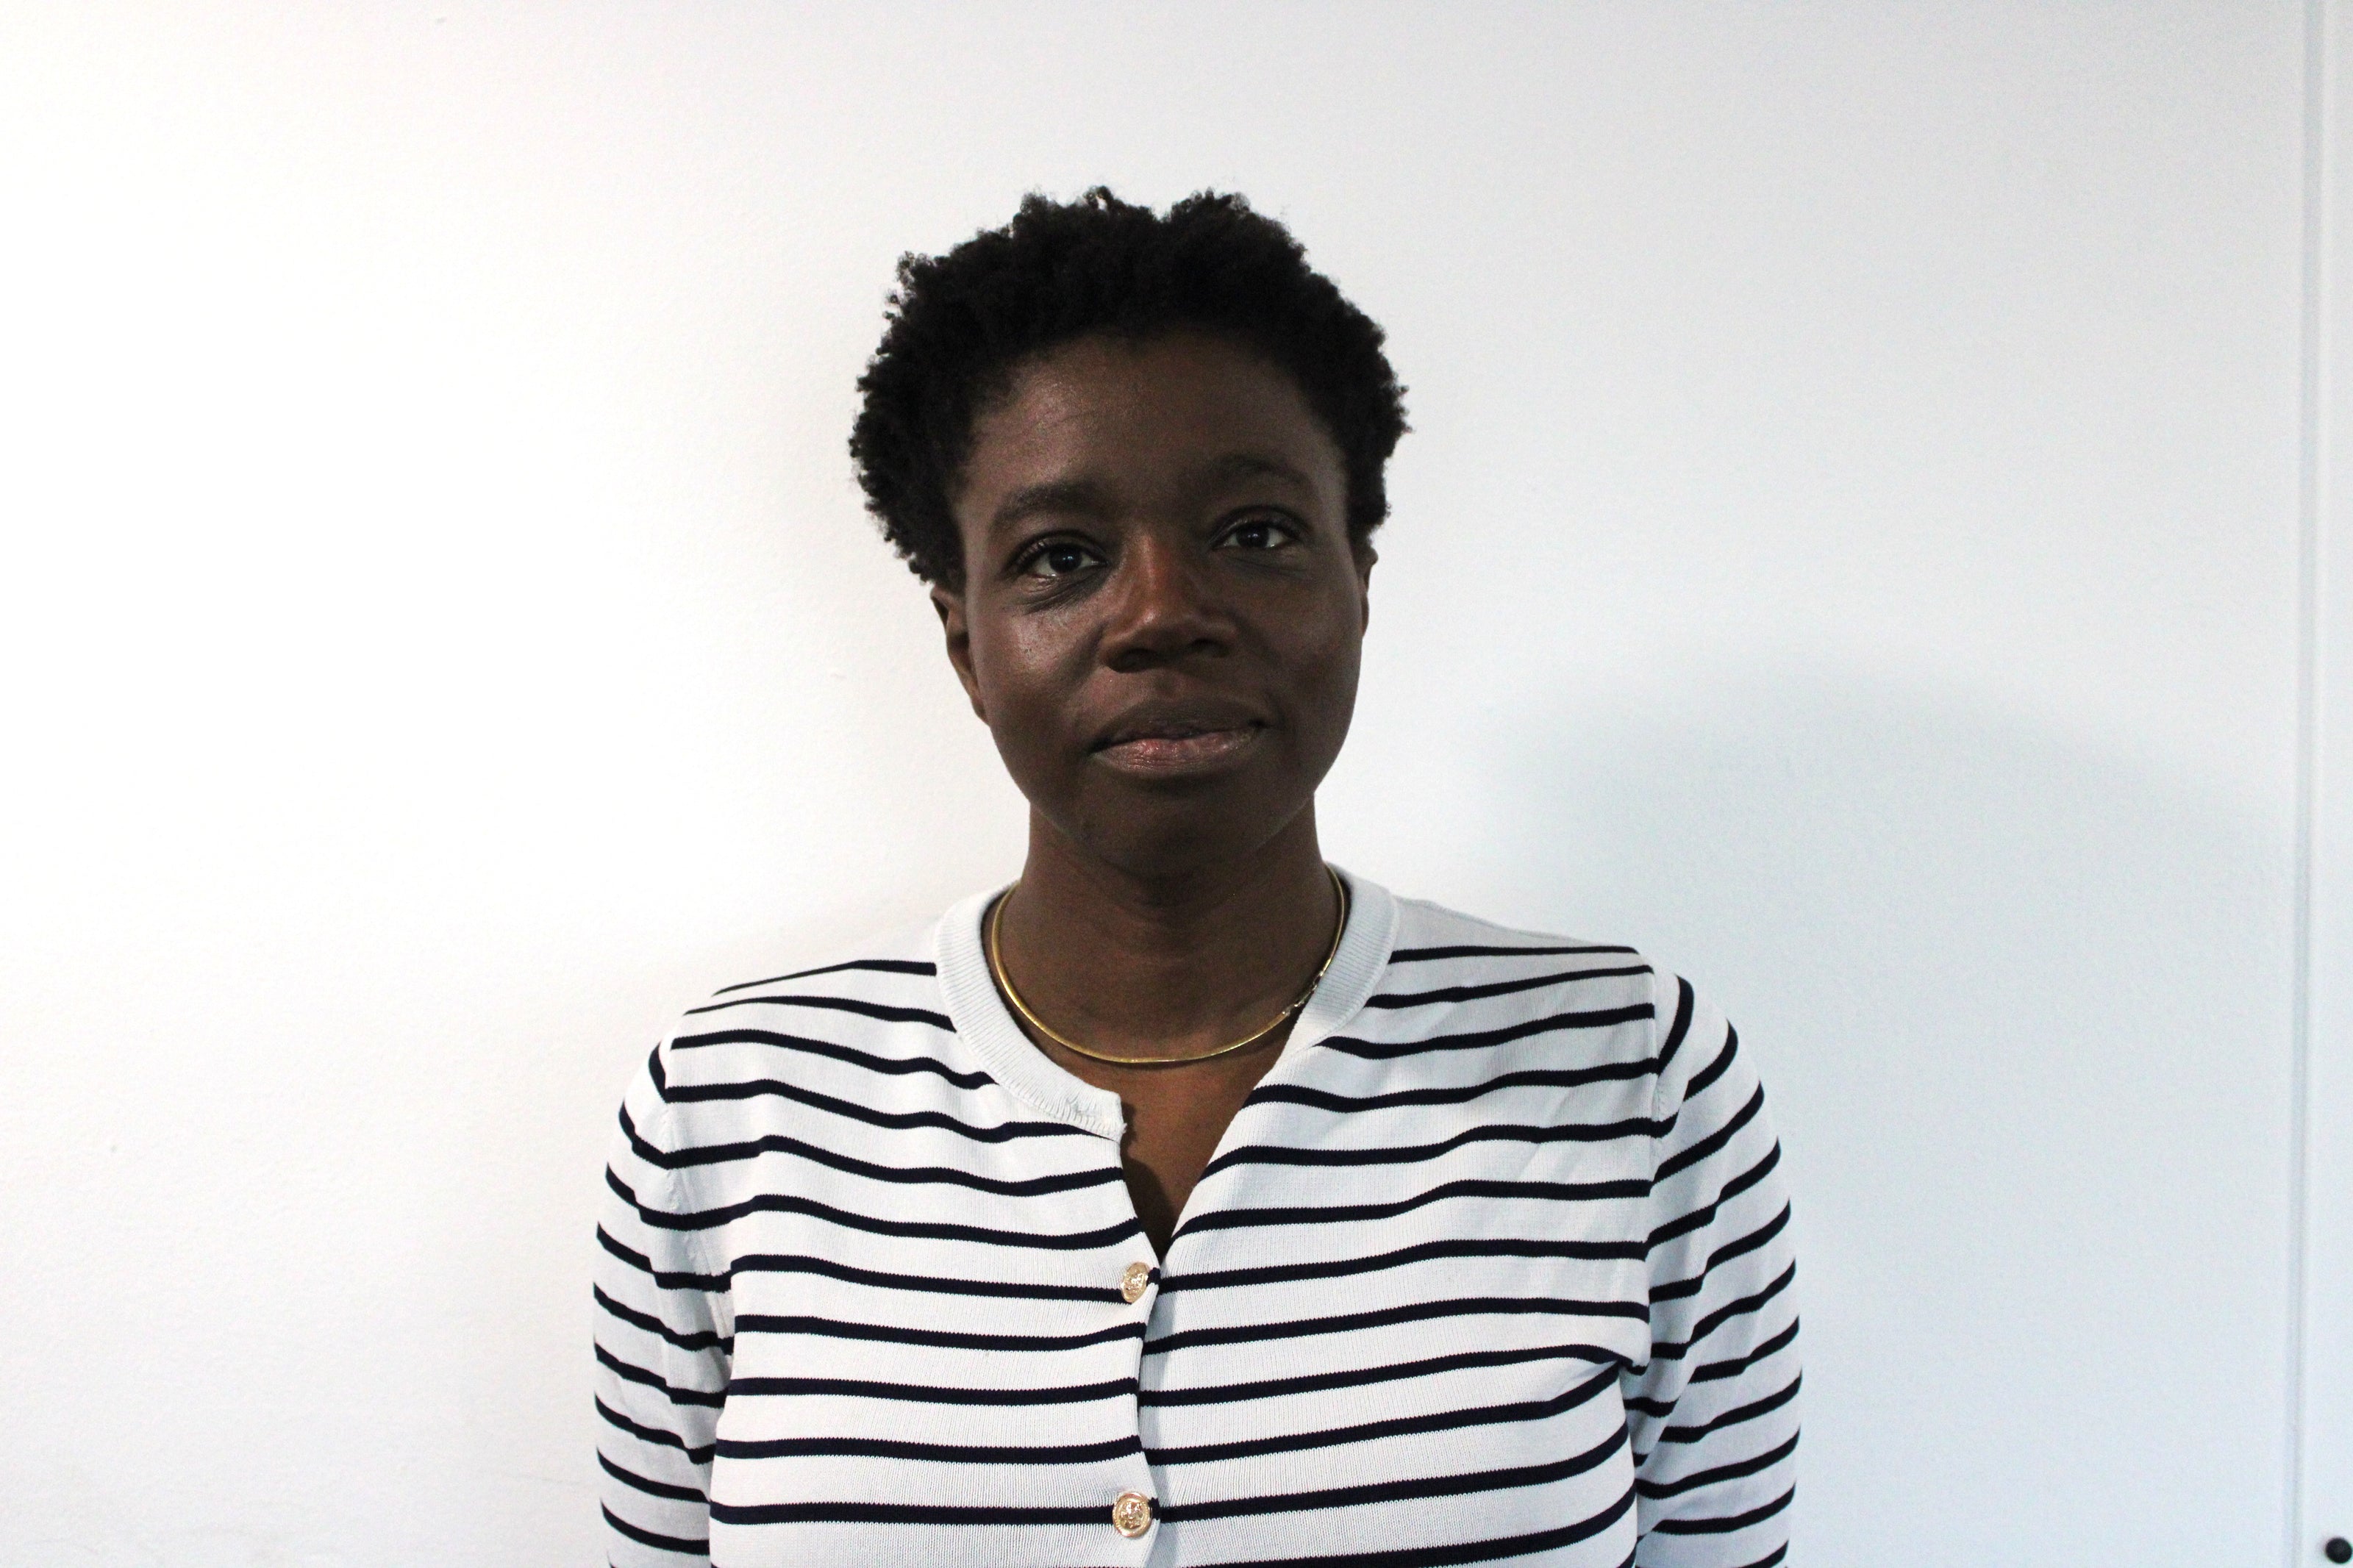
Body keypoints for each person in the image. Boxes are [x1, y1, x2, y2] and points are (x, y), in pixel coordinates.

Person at [594, 189, 1798, 1568]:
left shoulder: (1634, 1077)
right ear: (965, 641)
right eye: (1061, 558)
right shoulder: (733, 1108)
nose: (1164, 612)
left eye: (1257, 532)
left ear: (1359, 577)